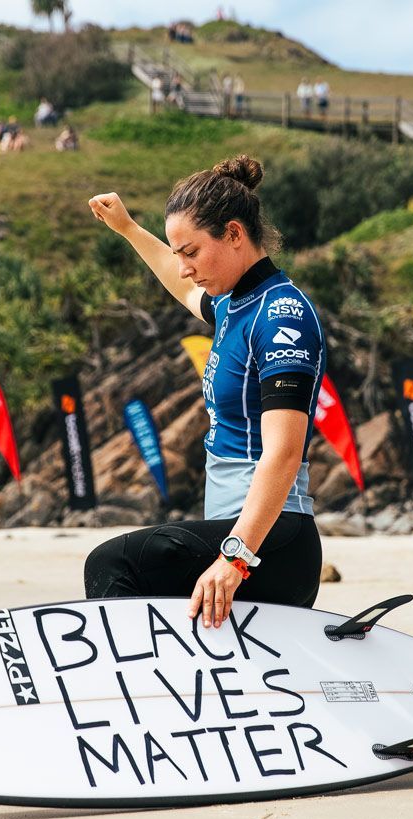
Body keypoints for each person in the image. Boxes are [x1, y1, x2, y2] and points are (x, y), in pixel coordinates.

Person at [85, 155, 327, 628]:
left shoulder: (282, 318)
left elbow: (283, 451)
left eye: (191, 252)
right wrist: (129, 229)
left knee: (113, 565)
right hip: (244, 538)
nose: (184, 268)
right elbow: (180, 287)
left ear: (234, 234)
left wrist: (235, 560)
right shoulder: (237, 306)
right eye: (179, 254)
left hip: (272, 541)